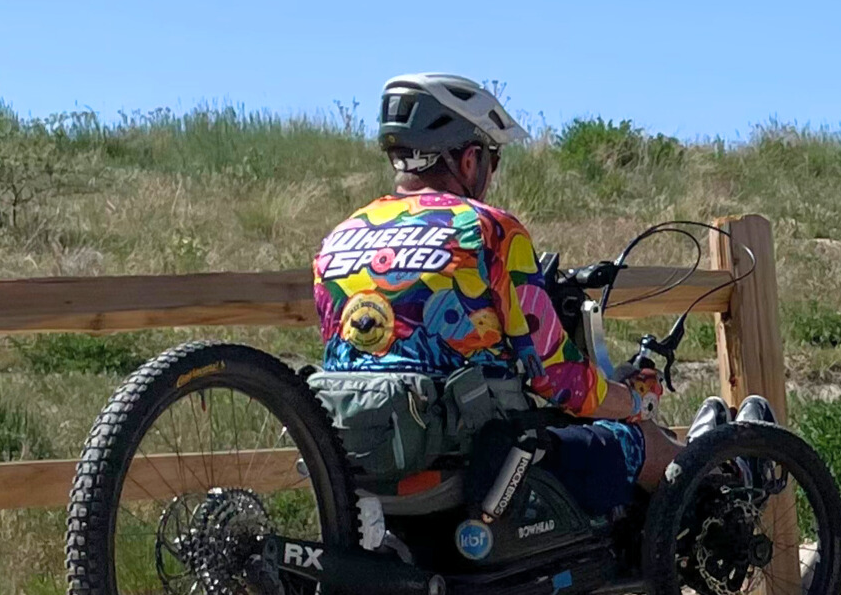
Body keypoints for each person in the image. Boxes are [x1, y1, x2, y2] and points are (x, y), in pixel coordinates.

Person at [312, 73, 742, 514]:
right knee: (640, 441)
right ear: (469, 160)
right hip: (481, 472)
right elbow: (555, 378)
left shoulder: (338, 239)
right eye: (492, 159)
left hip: (359, 472)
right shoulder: (489, 230)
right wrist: (636, 403)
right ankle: (728, 481)